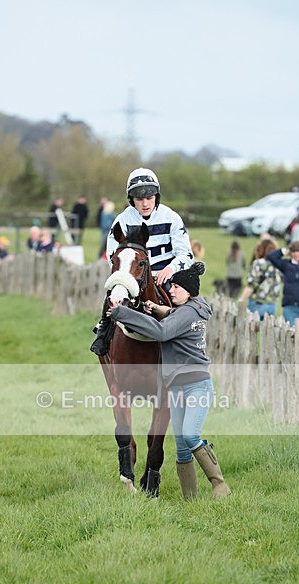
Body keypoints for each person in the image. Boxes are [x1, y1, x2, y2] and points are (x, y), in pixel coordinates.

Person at [108, 262, 231, 500]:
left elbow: (163, 331)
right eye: (171, 286)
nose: (171, 290)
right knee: (183, 449)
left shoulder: (187, 313)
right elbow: (172, 314)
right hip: (176, 387)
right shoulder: (193, 308)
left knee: (190, 436)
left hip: (196, 384)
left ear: (188, 291)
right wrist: (155, 307)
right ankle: (191, 500)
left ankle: (219, 485)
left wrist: (123, 314)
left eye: (175, 287)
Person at [90, 168, 193, 356]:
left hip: (166, 276)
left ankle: (190, 348)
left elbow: (186, 254)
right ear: (131, 200)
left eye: (149, 197)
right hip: (132, 278)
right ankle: (103, 335)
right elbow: (113, 256)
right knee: (112, 299)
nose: (145, 203)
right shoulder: (121, 221)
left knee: (187, 307)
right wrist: (128, 280)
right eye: (139, 199)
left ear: (157, 196)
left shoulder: (171, 218)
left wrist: (170, 269)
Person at [239, 239, 280, 319]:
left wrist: (241, 300)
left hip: (257, 303)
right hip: (272, 305)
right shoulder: (278, 264)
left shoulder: (258, 263)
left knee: (250, 328)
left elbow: (251, 285)